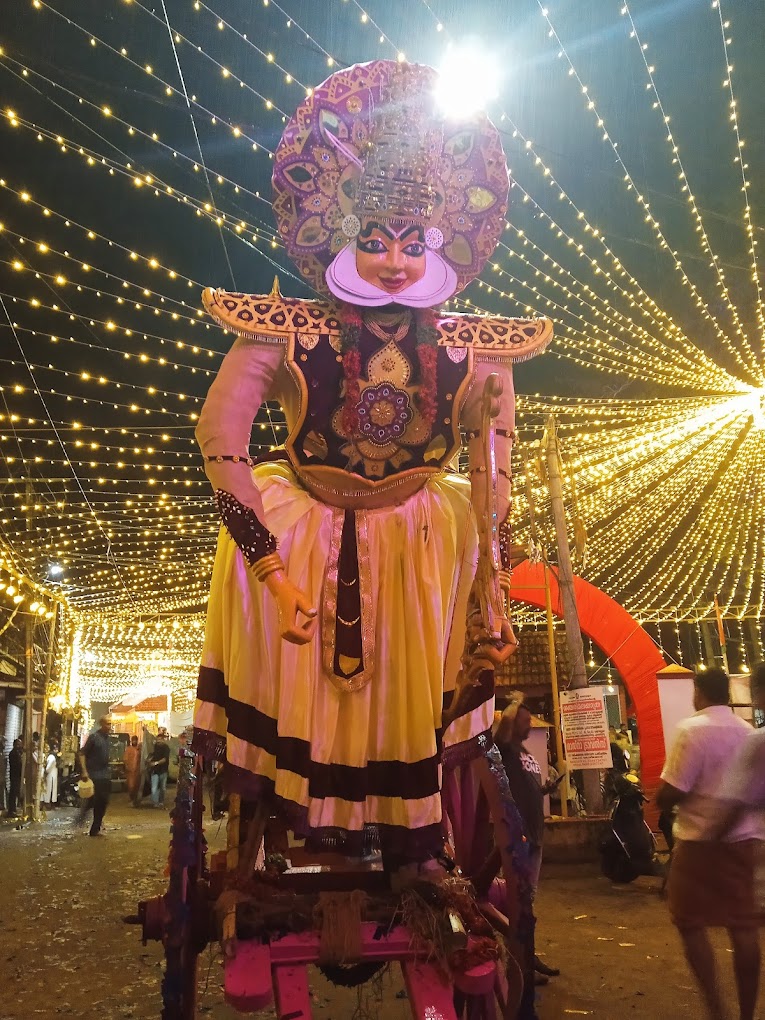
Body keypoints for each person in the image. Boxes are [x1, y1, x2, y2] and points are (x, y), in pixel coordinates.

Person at [192, 57, 551, 872]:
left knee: (404, 693)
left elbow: (496, 457)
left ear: (439, 241)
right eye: (374, 243)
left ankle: (409, 836)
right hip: (297, 528)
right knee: (293, 680)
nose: (393, 262)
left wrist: (491, 571)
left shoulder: (477, 345)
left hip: (418, 535)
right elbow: (221, 437)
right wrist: (271, 565)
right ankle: (275, 830)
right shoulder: (278, 329)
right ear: (340, 236)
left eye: (412, 244)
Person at [656, 668, 762, 1020]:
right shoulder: (746, 730)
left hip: (699, 838)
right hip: (744, 840)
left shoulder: (690, 730)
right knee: (743, 926)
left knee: (690, 921)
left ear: (699, 692)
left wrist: (661, 798)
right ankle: (747, 1014)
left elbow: (675, 787)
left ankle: (717, 1008)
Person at [495, 695, 563, 983]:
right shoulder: (506, 749)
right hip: (519, 836)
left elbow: (528, 789)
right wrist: (515, 703)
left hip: (536, 836)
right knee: (520, 901)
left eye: (528, 718)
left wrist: (545, 790)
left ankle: (528, 956)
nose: (527, 722)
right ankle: (520, 963)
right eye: (523, 719)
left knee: (529, 901)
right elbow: (504, 726)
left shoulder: (525, 753)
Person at [78, 716, 113, 837]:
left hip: (105, 775)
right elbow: (82, 753)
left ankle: (95, 827)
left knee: (103, 801)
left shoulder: (107, 738)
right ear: (102, 724)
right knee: (95, 800)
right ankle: (84, 819)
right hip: (94, 774)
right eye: (107, 724)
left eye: (110, 724)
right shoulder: (94, 737)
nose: (109, 726)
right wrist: (84, 771)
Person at [148, 729, 170, 808]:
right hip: (155, 771)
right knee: (154, 788)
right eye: (158, 740)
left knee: (162, 788)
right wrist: (149, 760)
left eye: (160, 739)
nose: (159, 741)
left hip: (163, 770)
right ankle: (155, 803)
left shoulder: (166, 748)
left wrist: (156, 763)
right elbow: (150, 755)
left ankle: (160, 801)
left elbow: (165, 759)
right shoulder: (153, 747)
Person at [123, 734, 141, 805]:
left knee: (137, 786)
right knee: (131, 786)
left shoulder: (139, 749)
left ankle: (135, 800)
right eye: (133, 740)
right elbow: (125, 759)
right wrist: (127, 766)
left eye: (135, 740)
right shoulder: (128, 749)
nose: (134, 742)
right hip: (130, 771)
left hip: (138, 770)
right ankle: (132, 798)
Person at [8, 737, 23, 816]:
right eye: (18, 744)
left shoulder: (17, 753)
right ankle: (11, 810)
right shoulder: (13, 753)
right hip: (14, 775)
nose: (19, 746)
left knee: (15, 792)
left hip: (16, 775)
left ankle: (13, 809)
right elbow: (16, 765)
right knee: (13, 792)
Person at [42, 741, 59, 808]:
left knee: (50, 789)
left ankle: (49, 803)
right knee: (49, 789)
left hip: (51, 775)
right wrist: (46, 772)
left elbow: (48, 767)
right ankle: (47, 803)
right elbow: (48, 767)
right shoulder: (52, 757)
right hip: (51, 775)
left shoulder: (52, 757)